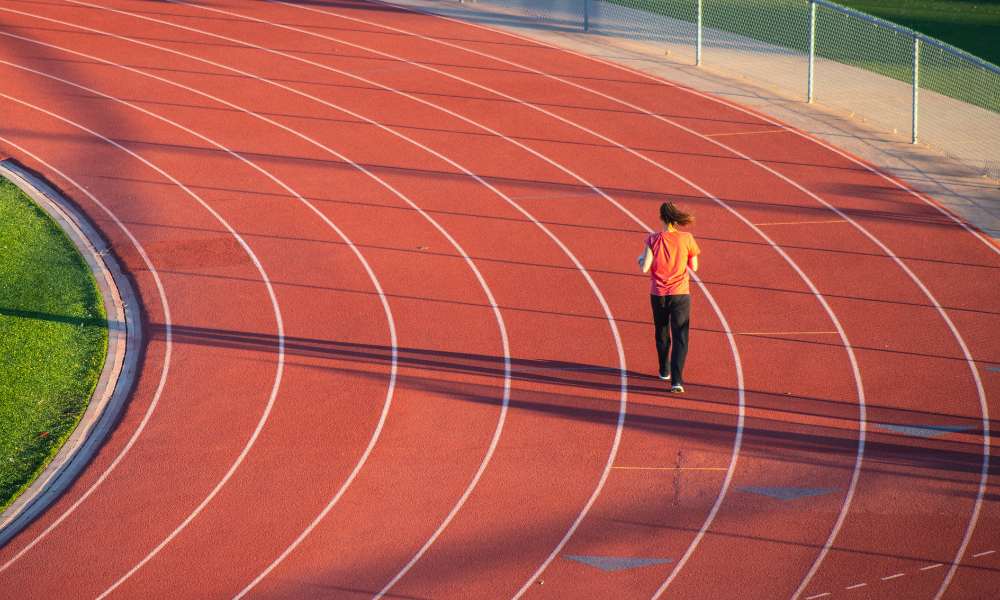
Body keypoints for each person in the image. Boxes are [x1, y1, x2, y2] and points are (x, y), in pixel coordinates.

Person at [638, 202, 700, 393]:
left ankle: (664, 369)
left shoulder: (653, 239)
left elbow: (644, 267)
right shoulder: (687, 238)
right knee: (681, 335)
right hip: (680, 293)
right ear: (676, 218)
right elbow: (694, 266)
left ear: (661, 218)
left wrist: (640, 258)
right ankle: (677, 381)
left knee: (662, 331)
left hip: (658, 294)